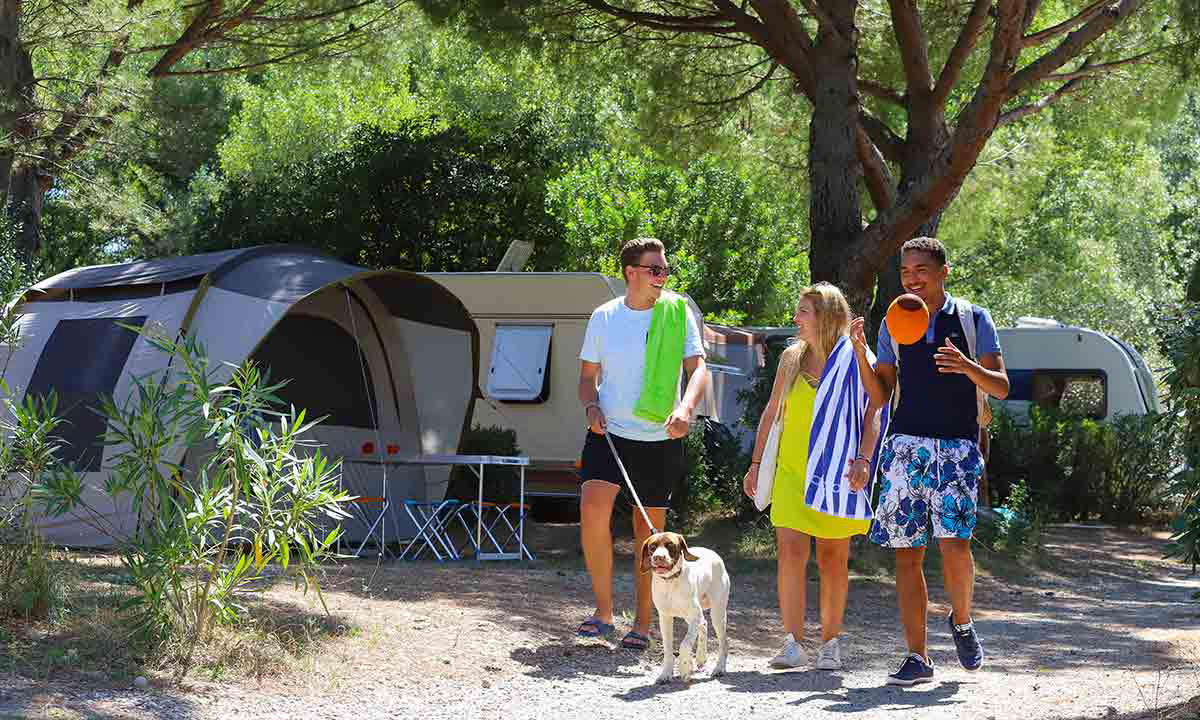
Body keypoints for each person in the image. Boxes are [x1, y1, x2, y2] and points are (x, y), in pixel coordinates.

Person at [858, 236, 1010, 686]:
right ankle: (917, 657)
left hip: (958, 448)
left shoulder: (972, 319)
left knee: (955, 546)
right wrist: (859, 352)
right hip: (906, 447)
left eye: (921, 270)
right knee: (908, 555)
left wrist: (966, 366)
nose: (912, 279)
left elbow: (1000, 386)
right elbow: (882, 393)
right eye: (906, 272)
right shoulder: (894, 322)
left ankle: (961, 621)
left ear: (944, 271)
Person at [742, 282, 888, 671]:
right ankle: (792, 643)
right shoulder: (791, 357)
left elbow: (876, 409)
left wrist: (864, 458)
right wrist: (756, 464)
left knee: (832, 560)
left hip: (837, 475)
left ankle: (830, 644)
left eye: (803, 311)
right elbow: (772, 412)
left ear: (826, 317)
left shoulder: (858, 357)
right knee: (790, 554)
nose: (795, 318)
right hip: (791, 472)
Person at [575, 237, 709, 651]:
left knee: (647, 533)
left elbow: (698, 369)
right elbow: (586, 378)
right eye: (655, 269)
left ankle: (644, 623)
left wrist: (686, 408)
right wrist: (591, 406)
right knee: (592, 509)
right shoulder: (604, 317)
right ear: (630, 273)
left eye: (665, 270)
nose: (662, 277)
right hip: (609, 434)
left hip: (658, 438)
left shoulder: (677, 312)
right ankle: (602, 613)